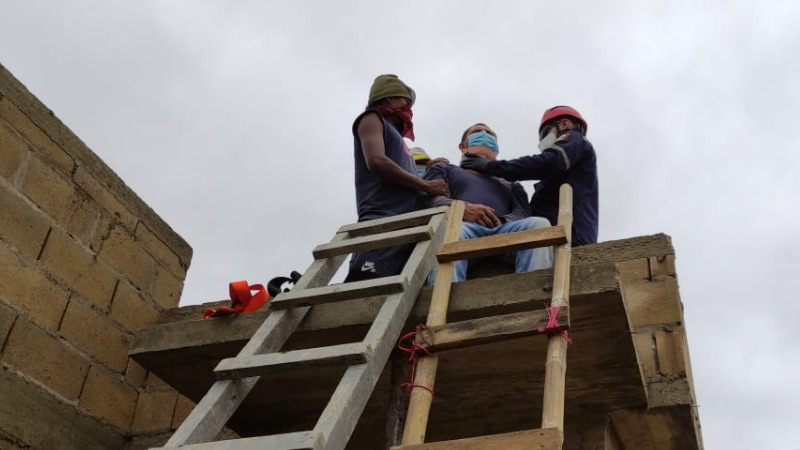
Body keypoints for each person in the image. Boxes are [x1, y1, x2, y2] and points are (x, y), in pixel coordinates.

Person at [345, 74, 449, 282]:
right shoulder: (371, 119)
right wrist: (425, 185)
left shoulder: (397, 139)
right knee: (367, 289)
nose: (409, 109)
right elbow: (376, 161)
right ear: (388, 99)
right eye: (405, 102)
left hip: (407, 227)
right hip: (383, 224)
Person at [424, 123, 553, 283]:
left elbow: (523, 213)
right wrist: (462, 209)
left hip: (504, 231)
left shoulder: (511, 184)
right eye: (477, 131)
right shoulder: (445, 169)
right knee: (449, 233)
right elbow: (431, 199)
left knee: (539, 225)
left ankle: (534, 295)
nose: (485, 135)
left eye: (490, 134)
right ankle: (442, 301)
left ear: (496, 149)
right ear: (463, 146)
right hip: (463, 229)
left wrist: (502, 221)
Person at [460, 106, 598, 246]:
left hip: (569, 237)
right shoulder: (562, 172)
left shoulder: (575, 139)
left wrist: (491, 166)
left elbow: (546, 163)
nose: (544, 140)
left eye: (546, 133)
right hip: (552, 237)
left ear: (563, 124)